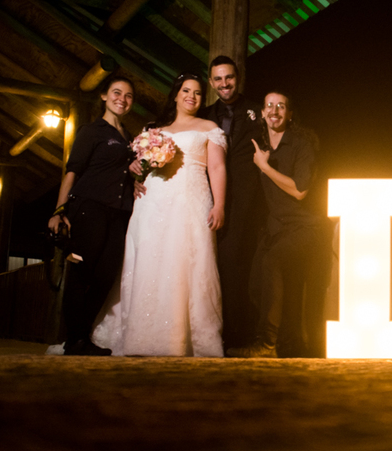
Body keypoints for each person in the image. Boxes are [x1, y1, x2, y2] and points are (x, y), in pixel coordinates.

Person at [94, 73, 227, 356]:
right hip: (153, 200)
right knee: (149, 259)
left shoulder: (209, 128)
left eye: (198, 93)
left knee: (186, 259)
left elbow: (216, 168)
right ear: (176, 94)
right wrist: (136, 175)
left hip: (190, 199)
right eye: (186, 90)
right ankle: (141, 333)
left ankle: (180, 336)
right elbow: (140, 164)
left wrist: (219, 204)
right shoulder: (155, 129)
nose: (192, 96)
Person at [229, 92, 328, 358]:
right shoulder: (259, 143)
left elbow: (299, 190)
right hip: (275, 227)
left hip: (304, 227)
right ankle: (284, 342)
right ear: (262, 113)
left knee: (272, 262)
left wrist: (265, 167)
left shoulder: (301, 144)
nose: (275, 110)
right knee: (255, 284)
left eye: (281, 106)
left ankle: (266, 344)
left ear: (290, 114)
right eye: (269, 106)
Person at [48, 76, 137, 356]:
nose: (122, 98)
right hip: (90, 208)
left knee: (106, 275)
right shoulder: (92, 130)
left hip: (119, 213)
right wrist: (59, 210)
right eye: (116, 92)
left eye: (128, 95)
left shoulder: (131, 138)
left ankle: (81, 335)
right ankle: (75, 339)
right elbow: (72, 171)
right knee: (82, 273)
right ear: (103, 96)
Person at [203, 55, 267, 349]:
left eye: (228, 77)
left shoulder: (257, 110)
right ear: (211, 81)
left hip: (244, 199)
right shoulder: (203, 116)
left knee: (236, 263)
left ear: (237, 78)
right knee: (209, 263)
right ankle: (212, 327)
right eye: (218, 79)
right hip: (207, 196)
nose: (224, 84)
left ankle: (237, 331)